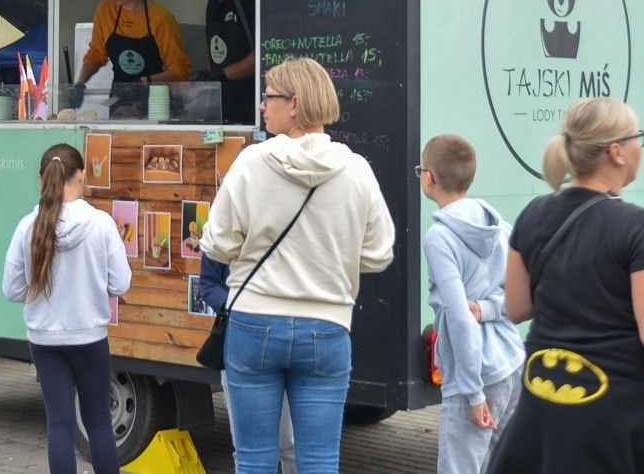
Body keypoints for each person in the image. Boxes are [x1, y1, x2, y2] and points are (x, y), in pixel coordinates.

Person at [487, 97, 644, 474]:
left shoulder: (533, 214)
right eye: (637, 139)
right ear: (616, 151)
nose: (639, 149)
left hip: (544, 414)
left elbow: (517, 307)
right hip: (622, 422)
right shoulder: (638, 229)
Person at [199, 57, 395, 473]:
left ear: (295, 103)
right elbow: (379, 253)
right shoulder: (356, 170)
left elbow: (216, 243)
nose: (261, 105)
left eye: (268, 96)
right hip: (326, 326)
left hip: (254, 324)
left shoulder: (251, 163)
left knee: (254, 459)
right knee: (320, 459)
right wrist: (334, 256)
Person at [3, 143, 132, 474]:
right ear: (82, 176)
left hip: (45, 339)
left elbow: (11, 289)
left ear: (42, 179)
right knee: (99, 420)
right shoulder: (102, 224)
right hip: (90, 337)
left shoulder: (27, 226)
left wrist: (39, 290)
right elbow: (121, 284)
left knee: (59, 424)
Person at [419, 134, 523, 474]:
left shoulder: (439, 238)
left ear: (429, 178)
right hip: (511, 362)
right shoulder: (499, 226)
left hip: (473, 373)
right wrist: (488, 309)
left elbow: (460, 318)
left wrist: (473, 394)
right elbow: (523, 295)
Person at [199, 254, 298, 474]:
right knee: (246, 450)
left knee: (289, 444)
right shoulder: (224, 234)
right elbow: (208, 283)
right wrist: (236, 305)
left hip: (282, 347)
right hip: (239, 348)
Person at [70, 0, 190, 114]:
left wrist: (146, 81)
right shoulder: (105, 10)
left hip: (155, 101)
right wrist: (80, 84)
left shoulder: (161, 18)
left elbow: (180, 69)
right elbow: (97, 54)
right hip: (119, 99)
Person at [180, 0, 256, 124]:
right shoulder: (212, 5)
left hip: (252, 106)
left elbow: (264, 57)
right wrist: (204, 77)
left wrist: (221, 74)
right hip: (221, 108)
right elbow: (218, 55)